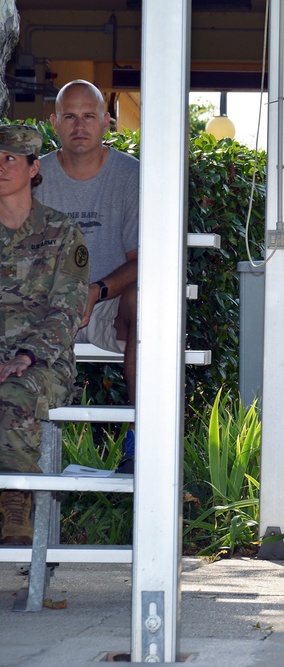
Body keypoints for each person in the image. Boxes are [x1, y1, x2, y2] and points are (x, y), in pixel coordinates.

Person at [34, 79, 140, 473]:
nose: (80, 125)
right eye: (70, 117)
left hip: (109, 307)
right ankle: (17, 460)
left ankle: (140, 441)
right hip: (46, 306)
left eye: (90, 116)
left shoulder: (130, 176)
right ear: (54, 122)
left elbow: (143, 258)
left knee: (147, 304)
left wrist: (95, 291)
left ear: (107, 122)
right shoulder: (33, 176)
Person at [0, 124, 89, 545]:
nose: (1, 167)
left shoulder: (60, 232)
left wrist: (25, 357)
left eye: (11, 158)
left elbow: (67, 309)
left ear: (34, 169)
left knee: (17, 393)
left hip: (43, 360)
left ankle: (16, 502)